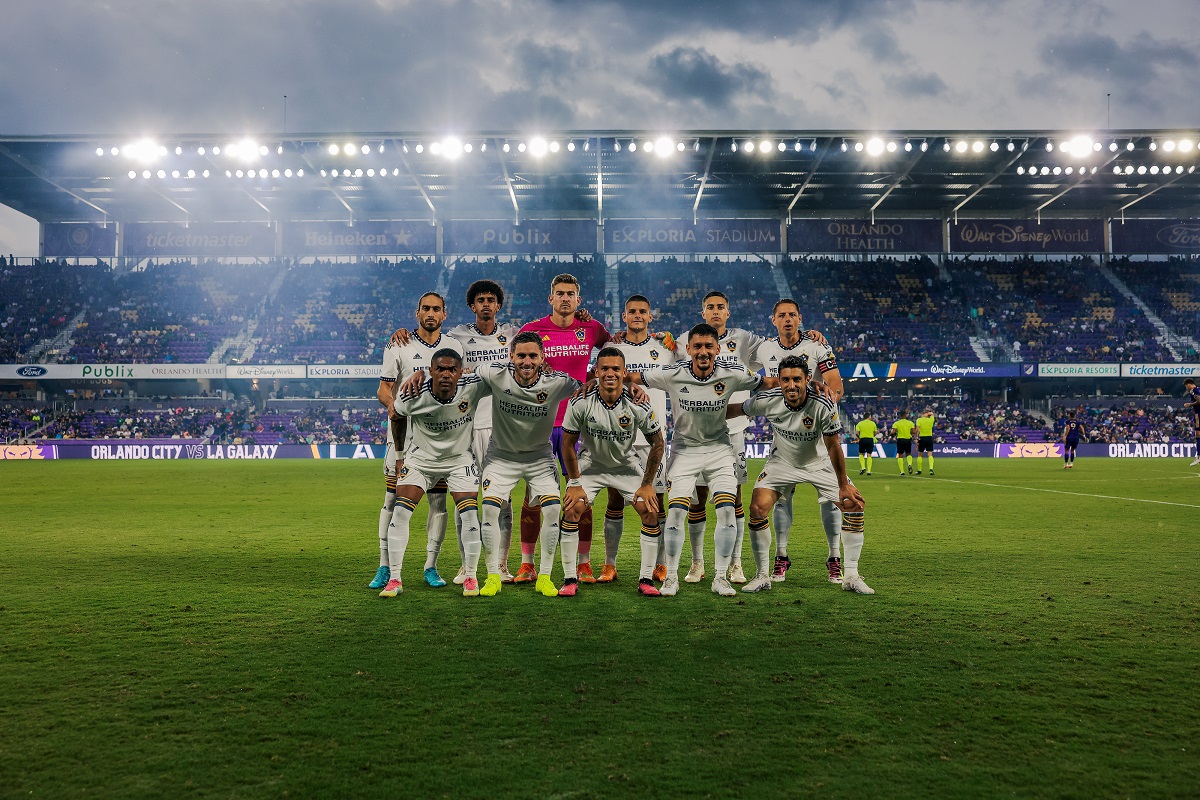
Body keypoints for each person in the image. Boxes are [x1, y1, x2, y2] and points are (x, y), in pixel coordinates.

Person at [401, 331, 582, 598]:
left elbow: (590, 384)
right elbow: (453, 374)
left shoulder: (558, 382)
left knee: (554, 511)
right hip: (501, 457)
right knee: (489, 511)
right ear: (511, 356)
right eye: (521, 355)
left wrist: (624, 384)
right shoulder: (493, 372)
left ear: (542, 358)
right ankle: (493, 576)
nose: (526, 361)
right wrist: (422, 375)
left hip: (540, 458)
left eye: (533, 355)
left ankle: (544, 576)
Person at [625, 323, 777, 597]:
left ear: (718, 349)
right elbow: (632, 376)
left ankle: (721, 577)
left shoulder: (734, 373)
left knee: (727, 510)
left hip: (720, 451)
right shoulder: (672, 373)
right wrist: (606, 379)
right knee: (676, 512)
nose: (704, 352)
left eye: (709, 346)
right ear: (689, 350)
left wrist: (806, 382)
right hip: (684, 452)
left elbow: (767, 383)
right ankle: (671, 577)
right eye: (698, 346)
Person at [730, 355, 873, 594]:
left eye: (797, 379)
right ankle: (762, 575)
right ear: (780, 381)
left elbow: (833, 445)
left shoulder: (824, 403)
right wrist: (703, 417)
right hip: (782, 462)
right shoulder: (768, 399)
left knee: (854, 505)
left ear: (808, 379)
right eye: (785, 380)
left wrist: (843, 485)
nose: (791, 385)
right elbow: (736, 409)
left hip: (819, 463)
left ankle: (851, 575)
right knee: (757, 509)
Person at [516, 274, 610, 583]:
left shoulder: (591, 329)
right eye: (560, 293)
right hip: (540, 424)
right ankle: (527, 564)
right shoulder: (531, 330)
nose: (566, 298)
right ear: (551, 298)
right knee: (532, 496)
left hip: (579, 426)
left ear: (578, 300)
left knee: (581, 496)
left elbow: (615, 354)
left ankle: (583, 563)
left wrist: (595, 378)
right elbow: (515, 370)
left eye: (571, 293)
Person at [371, 292, 464, 591]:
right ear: (417, 312)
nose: (431, 313)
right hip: (402, 435)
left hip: (438, 437)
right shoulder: (398, 343)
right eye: (426, 308)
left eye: (436, 309)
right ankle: (385, 566)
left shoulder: (454, 346)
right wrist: (397, 408)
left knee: (438, 502)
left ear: (444, 314)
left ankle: (431, 566)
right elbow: (383, 390)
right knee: (391, 500)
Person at [673, 291, 766, 586]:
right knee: (697, 502)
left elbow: (776, 350)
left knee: (733, 500)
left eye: (720, 307)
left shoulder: (745, 339)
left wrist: (809, 337)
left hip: (733, 431)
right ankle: (697, 562)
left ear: (728, 312)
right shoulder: (682, 340)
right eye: (710, 307)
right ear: (703, 313)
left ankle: (735, 563)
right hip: (694, 435)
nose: (715, 311)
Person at [750, 298, 844, 584]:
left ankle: (834, 557)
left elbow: (837, 388)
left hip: (817, 436)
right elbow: (735, 363)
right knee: (779, 500)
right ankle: (781, 556)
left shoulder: (817, 346)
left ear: (800, 318)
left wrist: (819, 397)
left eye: (792, 314)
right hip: (785, 438)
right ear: (773, 320)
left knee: (831, 501)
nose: (788, 319)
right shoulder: (764, 348)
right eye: (782, 315)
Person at [560, 347, 667, 597]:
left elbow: (658, 443)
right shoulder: (580, 401)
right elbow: (567, 443)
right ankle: (569, 579)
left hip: (625, 466)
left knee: (650, 510)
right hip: (592, 466)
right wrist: (574, 483)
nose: (610, 373)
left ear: (624, 372)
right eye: (604, 368)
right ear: (595, 372)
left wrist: (647, 483)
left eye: (616, 369)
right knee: (572, 507)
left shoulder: (638, 403)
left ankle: (645, 580)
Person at [379, 350, 486, 598]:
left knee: (469, 513)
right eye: (440, 369)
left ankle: (471, 576)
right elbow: (397, 417)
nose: (446, 374)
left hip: (459, 460)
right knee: (401, 510)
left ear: (461, 372)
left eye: (452, 370)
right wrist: (399, 455)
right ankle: (395, 578)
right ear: (430, 370)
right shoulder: (413, 393)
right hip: (421, 459)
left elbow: (502, 376)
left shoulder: (474, 386)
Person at [446, 280, 520, 583]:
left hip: (502, 426)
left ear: (498, 305)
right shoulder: (456, 337)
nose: (486, 304)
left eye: (491, 299)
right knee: (466, 498)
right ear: (472, 306)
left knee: (502, 499)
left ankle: (501, 563)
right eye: (480, 300)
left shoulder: (512, 335)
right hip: (465, 426)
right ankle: (466, 564)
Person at [608, 294, 675, 583]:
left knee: (657, 501)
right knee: (613, 501)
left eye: (642, 312)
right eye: (632, 311)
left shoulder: (667, 348)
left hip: (653, 439)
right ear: (624, 317)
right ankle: (610, 564)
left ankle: (660, 564)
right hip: (619, 437)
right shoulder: (613, 347)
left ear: (650, 317)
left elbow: (702, 349)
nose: (637, 315)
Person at [892, 410, 915, 476]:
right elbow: (913, 431)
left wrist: (894, 434)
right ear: (905, 415)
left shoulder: (896, 423)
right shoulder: (910, 423)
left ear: (900, 416)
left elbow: (893, 432)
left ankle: (902, 471)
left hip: (900, 440)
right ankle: (909, 464)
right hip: (908, 439)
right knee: (908, 454)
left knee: (900, 455)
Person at [915, 408, 936, 476]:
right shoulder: (931, 419)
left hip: (922, 438)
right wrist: (929, 413)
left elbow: (917, 430)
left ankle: (919, 470)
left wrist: (916, 438)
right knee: (930, 454)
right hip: (929, 438)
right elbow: (932, 414)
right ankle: (931, 469)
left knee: (920, 454)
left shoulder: (919, 420)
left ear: (922, 414)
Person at [1185, 379, 1200, 466]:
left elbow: (1199, 400)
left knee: (1198, 435)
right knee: (1197, 435)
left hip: (1199, 414)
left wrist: (1189, 404)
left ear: (1189, 384)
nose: (1186, 388)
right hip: (1198, 413)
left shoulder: (1194, 391)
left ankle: (1198, 456)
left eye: (1186, 386)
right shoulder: (1197, 389)